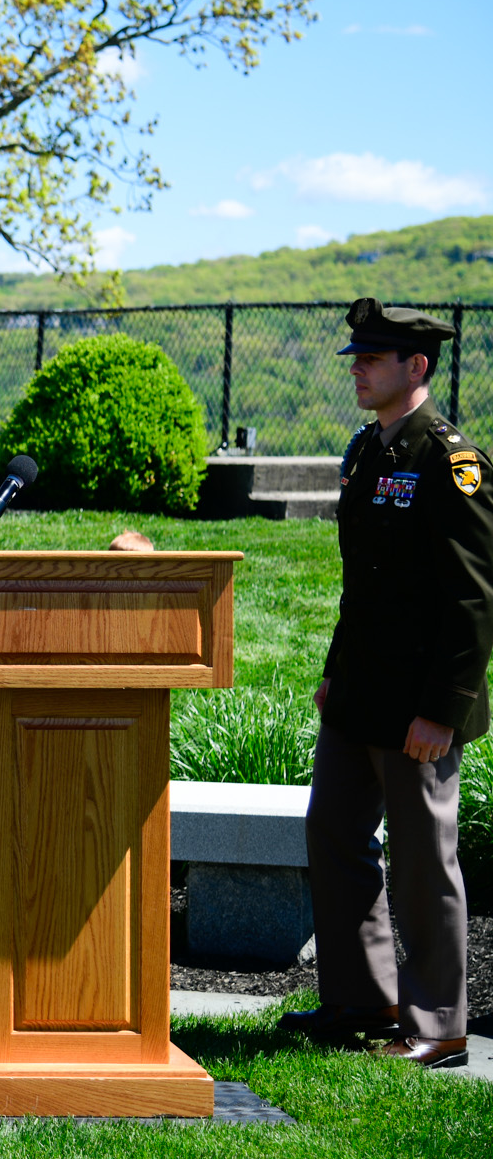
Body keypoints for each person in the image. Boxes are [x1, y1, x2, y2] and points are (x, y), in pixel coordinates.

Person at [278, 298, 490, 1071]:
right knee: (333, 834)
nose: (359, 370)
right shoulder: (368, 451)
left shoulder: (450, 461)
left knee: (423, 859)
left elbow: (473, 600)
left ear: (416, 367)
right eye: (357, 359)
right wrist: (336, 672)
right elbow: (360, 583)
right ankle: (361, 1002)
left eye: (372, 359)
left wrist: (443, 710)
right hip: (361, 694)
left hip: (418, 709)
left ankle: (439, 1025)